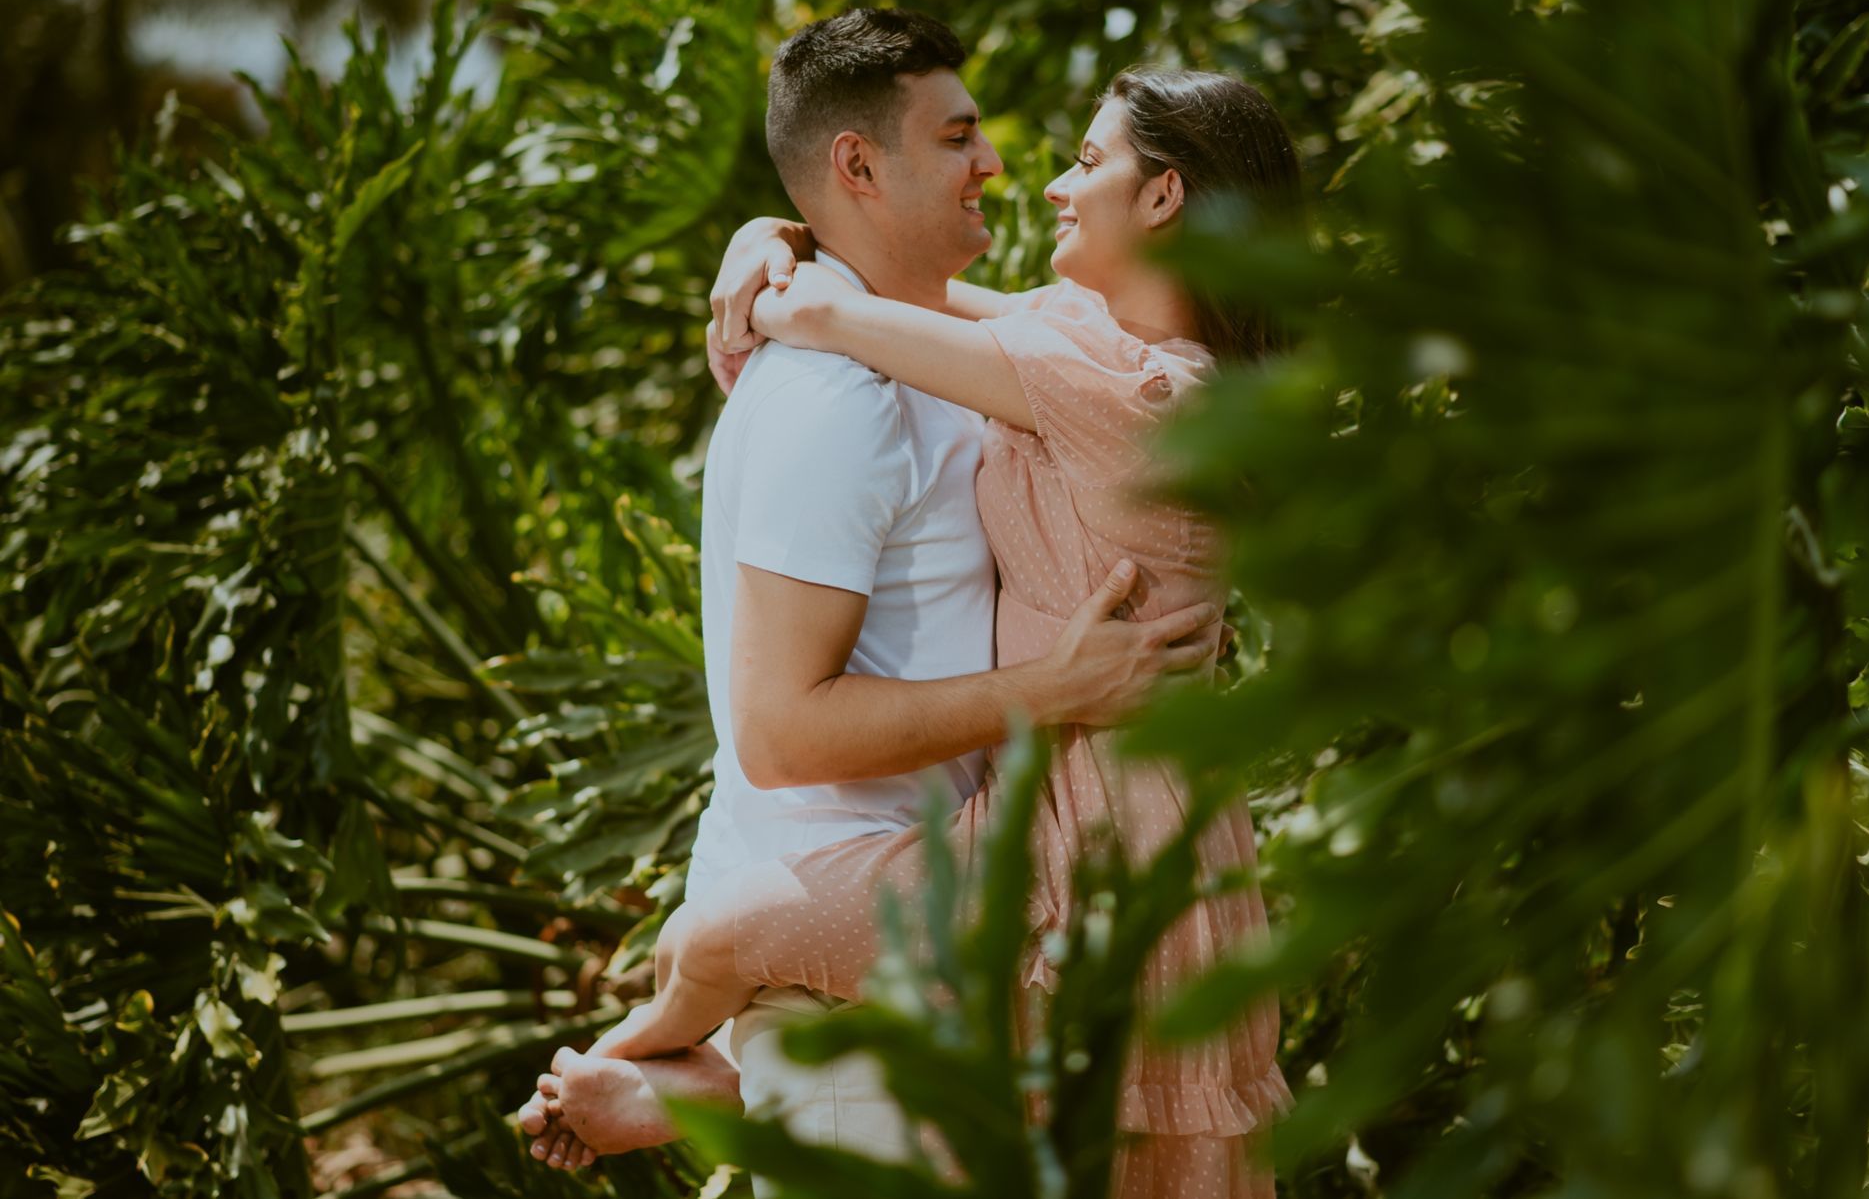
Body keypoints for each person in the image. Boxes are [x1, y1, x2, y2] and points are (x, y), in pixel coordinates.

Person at [528, 61, 1303, 1197]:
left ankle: (665, 1072)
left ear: (1166, 196)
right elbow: (942, 308)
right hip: (1076, 815)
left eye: (1088, 164)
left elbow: (845, 312)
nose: (1044, 183)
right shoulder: (1088, 350)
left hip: (1098, 843)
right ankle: (694, 1083)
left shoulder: (1141, 398)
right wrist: (764, 230)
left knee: (717, 939)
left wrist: (779, 277)